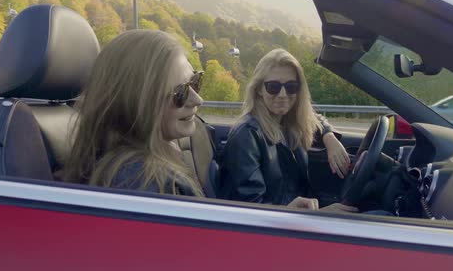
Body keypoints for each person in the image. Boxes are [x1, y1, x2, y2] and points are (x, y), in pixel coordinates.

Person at [64, 30, 204, 197]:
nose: (198, 100)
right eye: (180, 92)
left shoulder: (152, 162)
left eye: (195, 81)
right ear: (135, 102)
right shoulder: (142, 181)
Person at [220, 48, 358, 212]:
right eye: (273, 87)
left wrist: (329, 136)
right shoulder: (246, 135)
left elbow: (313, 118)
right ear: (259, 89)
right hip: (277, 227)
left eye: (291, 86)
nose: (283, 94)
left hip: (295, 216)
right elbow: (252, 209)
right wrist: (319, 215)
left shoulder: (287, 122)